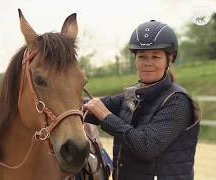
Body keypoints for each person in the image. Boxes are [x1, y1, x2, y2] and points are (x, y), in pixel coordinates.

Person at [83, 20, 201, 180]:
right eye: (142, 56)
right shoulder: (132, 95)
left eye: (155, 57)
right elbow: (89, 107)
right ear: (135, 60)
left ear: (170, 59)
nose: (148, 63)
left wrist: (105, 116)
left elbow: (146, 146)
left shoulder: (177, 101)